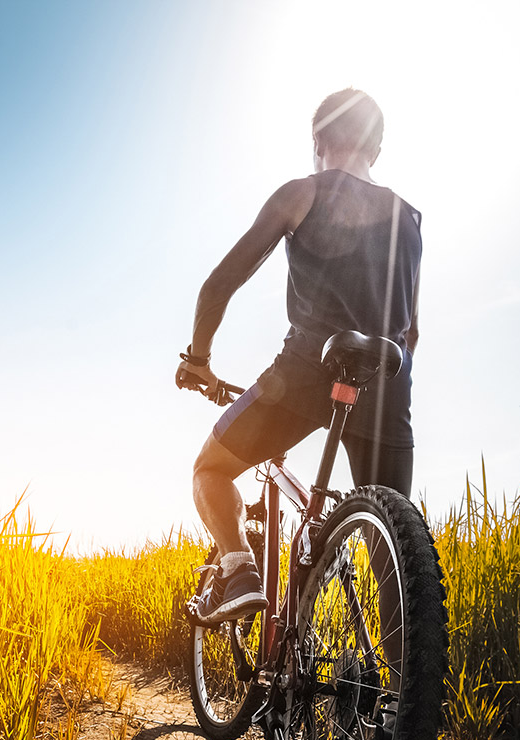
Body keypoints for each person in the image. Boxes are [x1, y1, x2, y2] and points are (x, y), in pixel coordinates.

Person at [175, 88, 423, 625]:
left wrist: (199, 359)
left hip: (309, 372)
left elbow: (218, 285)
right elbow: (412, 330)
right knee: (395, 556)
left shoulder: (303, 192)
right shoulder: (411, 220)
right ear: (375, 148)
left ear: (318, 142)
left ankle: (239, 569)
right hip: (389, 386)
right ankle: (403, 706)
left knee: (209, 469)